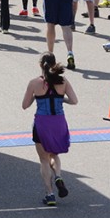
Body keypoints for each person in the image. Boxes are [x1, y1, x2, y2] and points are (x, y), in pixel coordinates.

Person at [21, 53, 77, 207]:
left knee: (44, 160)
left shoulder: (34, 83)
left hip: (42, 123)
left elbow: (24, 105)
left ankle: (50, 194)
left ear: (41, 65)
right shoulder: (63, 81)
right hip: (58, 122)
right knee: (54, 155)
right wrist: (61, 99)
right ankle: (58, 175)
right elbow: (74, 100)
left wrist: (35, 97)